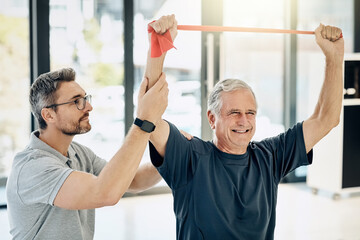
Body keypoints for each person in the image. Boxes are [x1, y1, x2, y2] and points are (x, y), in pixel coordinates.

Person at [146, 15, 344, 239]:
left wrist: (334, 57)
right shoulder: (190, 157)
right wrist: (159, 45)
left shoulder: (270, 157)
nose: (244, 121)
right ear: (212, 118)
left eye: (250, 113)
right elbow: (149, 119)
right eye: (234, 113)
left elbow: (326, 119)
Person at [6, 67, 170, 239]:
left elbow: (134, 180)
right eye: (77, 101)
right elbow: (105, 193)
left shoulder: (78, 153)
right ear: (48, 115)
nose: (89, 107)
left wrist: (168, 153)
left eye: (85, 98)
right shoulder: (32, 167)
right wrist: (144, 122)